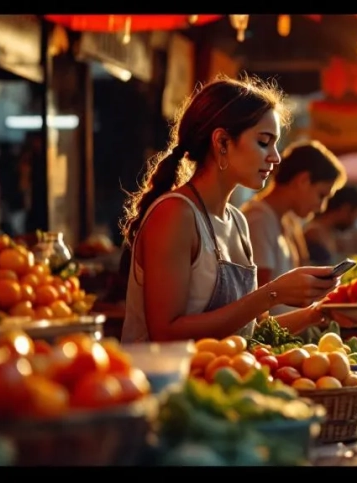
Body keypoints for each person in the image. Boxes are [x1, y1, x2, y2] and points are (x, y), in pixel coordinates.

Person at [119, 75, 338, 343]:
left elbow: (248, 334)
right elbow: (165, 333)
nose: (276, 156)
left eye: (275, 144)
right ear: (222, 142)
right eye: (264, 141)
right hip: (164, 382)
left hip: (223, 379)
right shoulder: (175, 214)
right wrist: (273, 293)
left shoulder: (237, 221)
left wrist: (318, 313)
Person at [242, 140, 347, 321]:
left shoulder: (288, 221)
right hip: (269, 343)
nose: (321, 207)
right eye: (321, 195)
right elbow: (258, 311)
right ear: (303, 180)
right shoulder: (259, 220)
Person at [304, 185, 357, 265]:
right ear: (345, 209)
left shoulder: (329, 234)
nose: (354, 222)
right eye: (356, 215)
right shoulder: (314, 233)